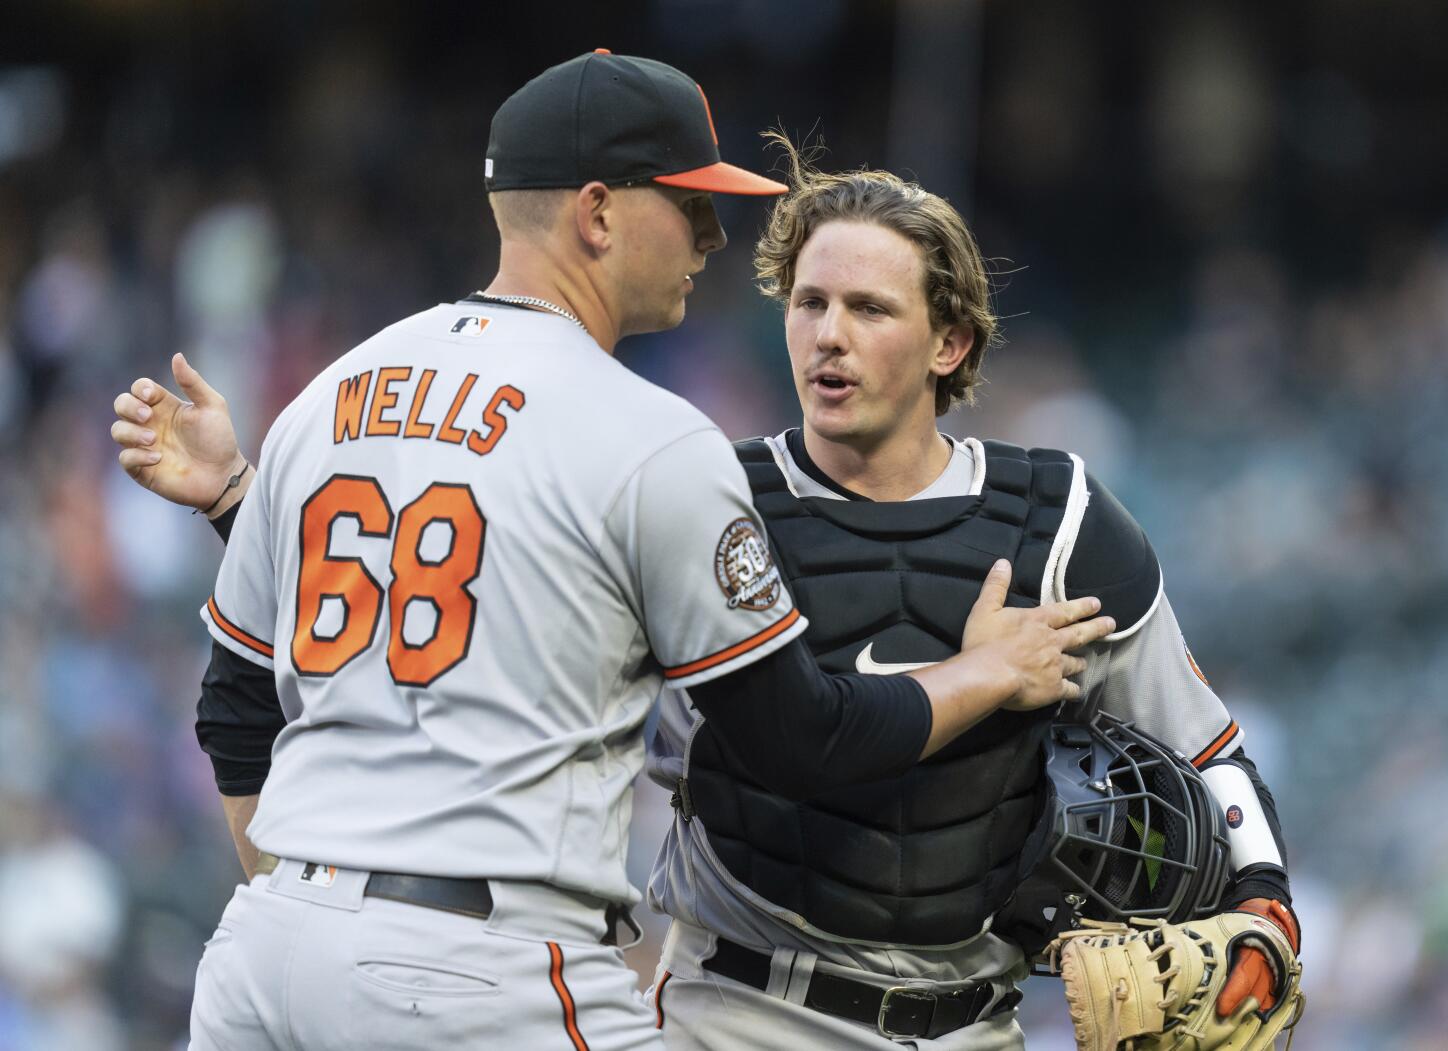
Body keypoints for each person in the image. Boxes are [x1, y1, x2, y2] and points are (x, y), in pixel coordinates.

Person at [108, 54, 1113, 1051]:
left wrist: (318, 921)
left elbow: (241, 702)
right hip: (478, 971)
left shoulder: (329, 396)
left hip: (264, 952)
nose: (715, 237)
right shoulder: (648, 436)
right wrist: (984, 670)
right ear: (597, 213)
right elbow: (799, 740)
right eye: (689, 203)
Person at [635, 141, 1300, 1050]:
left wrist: (1266, 898)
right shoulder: (708, 502)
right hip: (741, 1013)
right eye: (809, 303)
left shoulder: (1059, 520)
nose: (829, 333)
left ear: (949, 342)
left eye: (869, 308)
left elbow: (1209, 747)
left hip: (974, 1024)